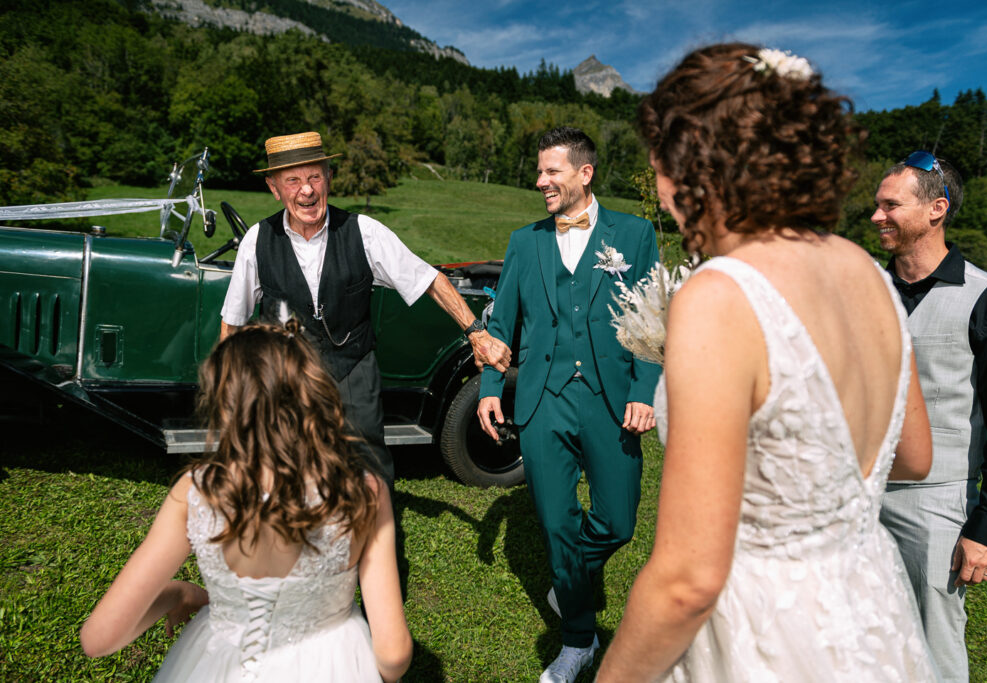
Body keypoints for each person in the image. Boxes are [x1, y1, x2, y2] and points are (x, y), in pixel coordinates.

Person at [595, 43, 938, 681]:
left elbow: (687, 581)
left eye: (662, 169)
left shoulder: (721, 295)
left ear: (700, 166)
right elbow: (915, 457)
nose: (663, 197)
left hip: (764, 630)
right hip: (872, 610)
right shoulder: (870, 274)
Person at [80, 321, 412, 682]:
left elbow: (100, 638)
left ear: (224, 403)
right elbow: (393, 655)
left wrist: (177, 594)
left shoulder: (195, 492)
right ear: (313, 394)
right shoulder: (364, 491)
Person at [221, 131, 511, 486]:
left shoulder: (364, 231)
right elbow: (232, 321)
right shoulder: (257, 240)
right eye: (293, 180)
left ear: (329, 178)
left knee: (367, 473)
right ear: (274, 188)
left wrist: (477, 334)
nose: (306, 190)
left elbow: (429, 279)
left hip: (352, 371)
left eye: (314, 177)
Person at [477, 126, 660, 683]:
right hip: (542, 400)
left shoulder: (635, 234)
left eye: (551, 171)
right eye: (539, 171)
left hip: (611, 399)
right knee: (558, 525)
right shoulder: (524, 241)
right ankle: (577, 640)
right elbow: (501, 323)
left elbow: (652, 320)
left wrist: (644, 392)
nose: (540, 181)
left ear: (585, 173)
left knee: (619, 521)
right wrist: (490, 387)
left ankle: (570, 578)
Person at [873, 152, 987, 681]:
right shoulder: (863, 291)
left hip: (936, 504)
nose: (877, 215)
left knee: (932, 654)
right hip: (855, 495)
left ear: (936, 209)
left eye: (891, 205)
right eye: (877, 204)